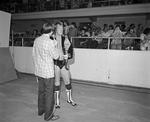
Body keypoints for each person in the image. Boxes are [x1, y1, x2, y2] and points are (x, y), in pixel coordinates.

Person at [32, 22, 60, 121]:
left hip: (39, 71)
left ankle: (41, 110)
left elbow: (34, 55)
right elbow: (56, 56)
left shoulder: (37, 40)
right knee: (49, 94)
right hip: (48, 73)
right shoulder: (50, 42)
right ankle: (48, 115)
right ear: (52, 31)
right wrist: (55, 45)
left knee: (41, 92)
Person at [54, 21, 77, 109]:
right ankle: (57, 102)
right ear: (55, 29)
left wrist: (68, 55)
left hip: (64, 63)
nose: (61, 30)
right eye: (59, 28)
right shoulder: (51, 39)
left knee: (67, 82)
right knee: (57, 83)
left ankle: (69, 99)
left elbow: (71, 50)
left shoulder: (66, 38)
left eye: (61, 28)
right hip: (55, 63)